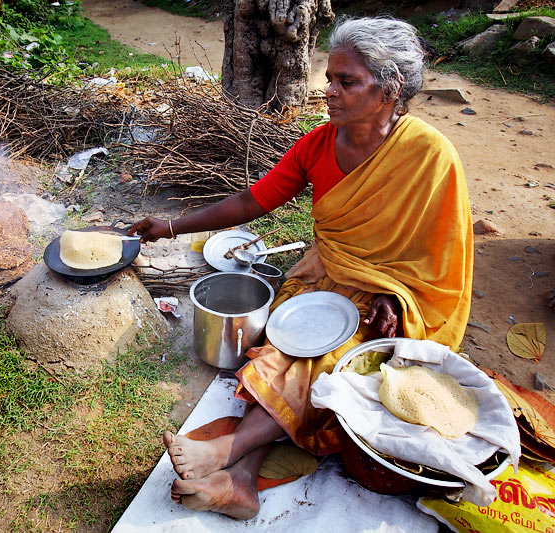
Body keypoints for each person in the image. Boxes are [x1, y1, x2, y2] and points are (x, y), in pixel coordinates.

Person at [128, 16, 474, 519]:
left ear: (389, 90)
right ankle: (241, 483)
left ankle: (226, 457)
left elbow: (441, 257)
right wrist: (173, 226)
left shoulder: (428, 155)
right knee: (281, 351)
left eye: (345, 81)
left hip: (398, 299)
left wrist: (395, 298)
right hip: (326, 273)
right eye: (329, 78)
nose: (328, 91)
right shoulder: (318, 144)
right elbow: (254, 200)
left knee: (332, 365)